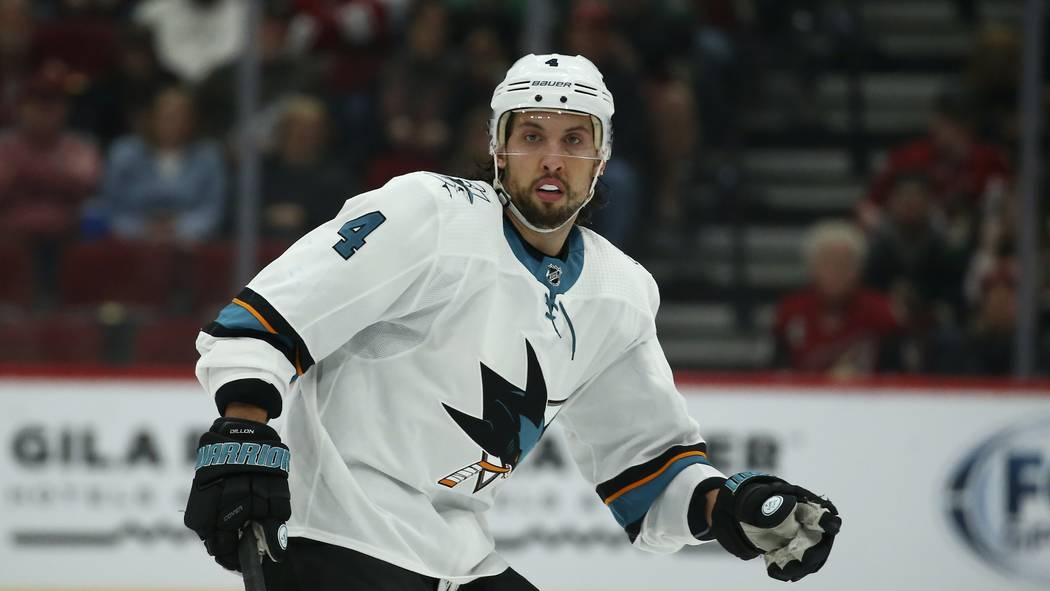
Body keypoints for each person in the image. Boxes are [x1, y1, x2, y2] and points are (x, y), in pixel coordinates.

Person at [185, 54, 841, 590]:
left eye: (574, 139)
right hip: (336, 537)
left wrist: (729, 508)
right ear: (498, 149)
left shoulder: (620, 292)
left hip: (460, 558)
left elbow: (649, 469)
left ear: (601, 159)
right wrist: (244, 422)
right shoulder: (426, 214)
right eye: (531, 135)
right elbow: (263, 321)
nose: (552, 158)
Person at [773, 220, 901, 376]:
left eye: (843, 263)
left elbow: (896, 373)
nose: (836, 272)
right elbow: (777, 369)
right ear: (812, 267)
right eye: (828, 263)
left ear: (859, 268)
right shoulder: (792, 311)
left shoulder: (881, 313)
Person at [101, 86, 226, 243]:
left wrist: (180, 230)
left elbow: (212, 209)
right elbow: (111, 207)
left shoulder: (208, 156)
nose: (173, 122)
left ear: (192, 120)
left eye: (180, 116)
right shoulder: (124, 154)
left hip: (191, 246)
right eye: (166, 116)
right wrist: (142, 230)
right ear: (151, 117)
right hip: (130, 246)